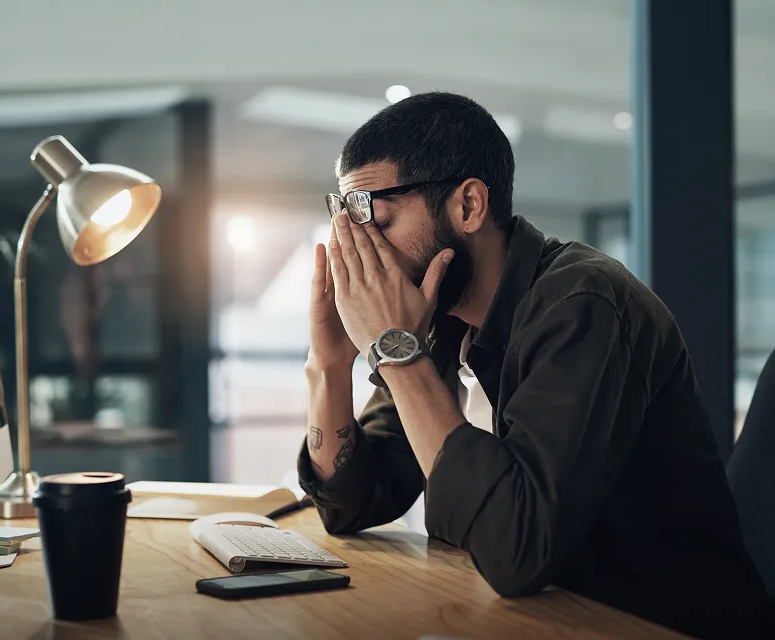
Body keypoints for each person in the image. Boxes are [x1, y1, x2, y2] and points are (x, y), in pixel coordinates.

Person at [296, 92, 771, 639]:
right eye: (347, 223)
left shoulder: (582, 303)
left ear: (468, 206)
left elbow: (516, 548)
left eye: (377, 219)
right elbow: (351, 502)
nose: (357, 250)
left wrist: (395, 349)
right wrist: (330, 364)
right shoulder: (439, 323)